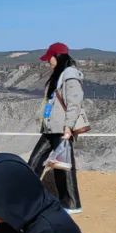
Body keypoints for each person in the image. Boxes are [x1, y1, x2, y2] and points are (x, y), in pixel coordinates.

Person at [27, 42, 88, 214]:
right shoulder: (58, 74)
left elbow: (74, 102)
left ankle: (71, 205)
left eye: (50, 58)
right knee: (35, 162)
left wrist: (68, 127)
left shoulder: (69, 75)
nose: (48, 62)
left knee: (64, 166)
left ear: (57, 56)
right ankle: (28, 196)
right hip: (50, 129)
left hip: (62, 129)